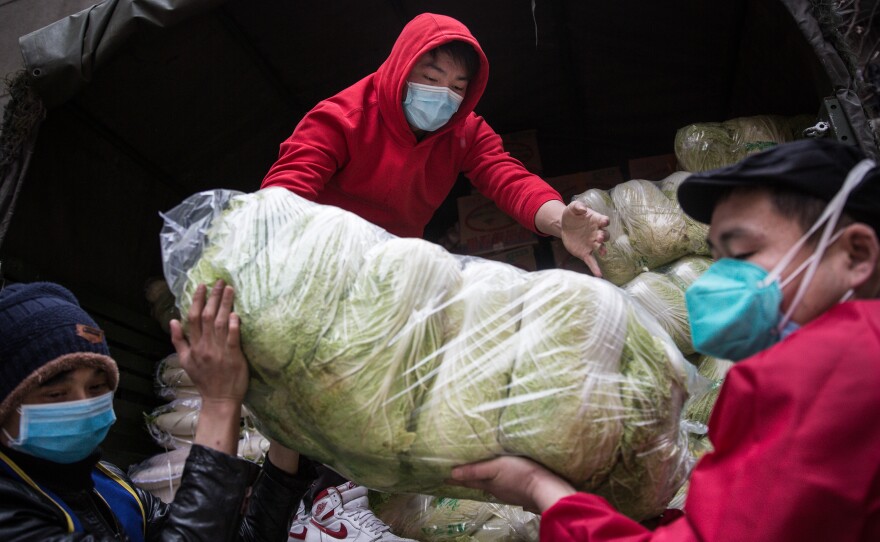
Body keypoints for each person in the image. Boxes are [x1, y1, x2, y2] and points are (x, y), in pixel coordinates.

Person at [262, 13, 608, 540]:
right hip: (325, 258)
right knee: (327, 381)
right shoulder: (342, 117)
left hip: (393, 265)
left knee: (398, 372)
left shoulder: (462, 131)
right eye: (432, 76)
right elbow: (285, 191)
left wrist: (562, 221)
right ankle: (318, 504)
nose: (444, 94)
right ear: (403, 66)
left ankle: (334, 492)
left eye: (458, 86)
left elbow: (506, 177)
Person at [447, 138, 880, 541]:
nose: (718, 281)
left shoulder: (828, 374)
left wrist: (540, 488)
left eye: (744, 254)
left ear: (856, 254)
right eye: (719, 258)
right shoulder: (842, 356)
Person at [0, 279, 317, 541]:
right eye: (56, 394)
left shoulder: (111, 488)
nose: (83, 403)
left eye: (96, 388)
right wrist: (220, 404)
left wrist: (283, 437)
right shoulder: (10, 514)